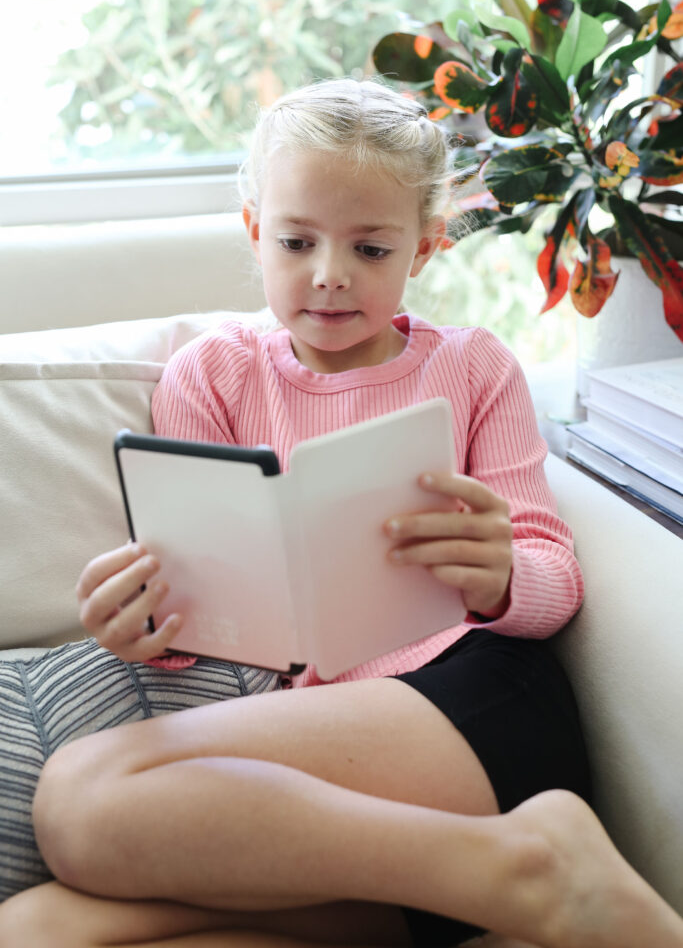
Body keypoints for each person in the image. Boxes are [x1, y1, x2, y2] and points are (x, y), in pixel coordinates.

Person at [1, 77, 682, 948]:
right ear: (255, 233)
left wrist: (503, 572)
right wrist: (146, 626)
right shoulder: (214, 375)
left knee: (79, 795)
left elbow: (553, 583)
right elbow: (211, 629)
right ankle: (506, 887)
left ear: (424, 250)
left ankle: (537, 856)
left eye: (368, 248)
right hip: (329, 775)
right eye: (296, 241)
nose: (328, 276)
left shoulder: (472, 367)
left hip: (467, 702)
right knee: (31, 928)